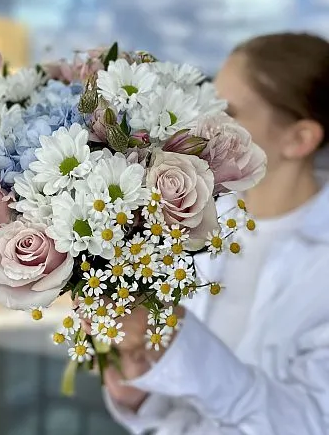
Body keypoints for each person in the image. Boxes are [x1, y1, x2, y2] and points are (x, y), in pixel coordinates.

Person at [100, 33, 329, 434]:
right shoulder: (180, 222)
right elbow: (177, 413)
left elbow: (311, 423)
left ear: (300, 139)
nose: (204, 122)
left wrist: (176, 343)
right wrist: (138, 386)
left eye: (228, 110)